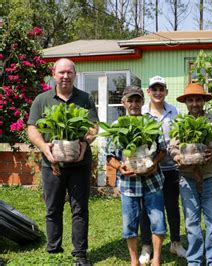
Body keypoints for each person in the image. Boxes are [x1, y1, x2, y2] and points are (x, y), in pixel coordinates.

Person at [27, 58, 99, 265]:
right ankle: (54, 250)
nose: (65, 76)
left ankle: (80, 254)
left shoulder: (84, 98)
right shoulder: (42, 100)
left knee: (80, 209)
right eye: (61, 72)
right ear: (54, 75)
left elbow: (93, 126)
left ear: (75, 75)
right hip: (52, 165)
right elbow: (32, 128)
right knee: (53, 208)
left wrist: (85, 142)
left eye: (69, 72)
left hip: (80, 164)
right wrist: (44, 148)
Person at [169, 83, 212, 265]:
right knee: (192, 222)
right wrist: (177, 155)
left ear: (203, 101)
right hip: (187, 179)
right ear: (186, 102)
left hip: (211, 176)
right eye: (190, 100)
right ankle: (194, 260)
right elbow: (172, 147)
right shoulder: (180, 122)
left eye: (198, 99)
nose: (194, 103)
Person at [106, 86, 167, 266]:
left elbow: (163, 150)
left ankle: (156, 258)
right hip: (128, 183)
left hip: (152, 181)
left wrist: (154, 164)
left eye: (137, 100)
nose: (134, 104)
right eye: (130, 100)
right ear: (124, 103)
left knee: (157, 220)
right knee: (129, 223)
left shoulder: (152, 122)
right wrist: (120, 167)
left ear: (142, 102)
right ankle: (134, 261)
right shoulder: (117, 126)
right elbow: (109, 156)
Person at [138, 75, 186, 263]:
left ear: (166, 92)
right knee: (146, 208)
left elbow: (180, 137)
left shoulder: (174, 111)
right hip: (148, 169)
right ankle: (146, 245)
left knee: (172, 206)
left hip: (170, 167)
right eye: (154, 89)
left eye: (161, 89)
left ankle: (175, 242)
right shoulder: (141, 114)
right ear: (148, 92)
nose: (158, 92)